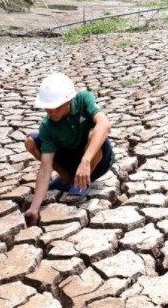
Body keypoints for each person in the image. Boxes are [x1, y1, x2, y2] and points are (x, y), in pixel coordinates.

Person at [23, 72, 114, 226]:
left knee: (94, 133)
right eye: (47, 107)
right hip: (71, 162)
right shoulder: (47, 126)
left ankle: (81, 183)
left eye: (55, 107)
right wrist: (34, 208)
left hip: (97, 161)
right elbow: (45, 168)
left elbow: (105, 125)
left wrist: (85, 161)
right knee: (31, 141)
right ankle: (67, 179)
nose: (50, 111)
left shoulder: (84, 100)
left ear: (68, 100)